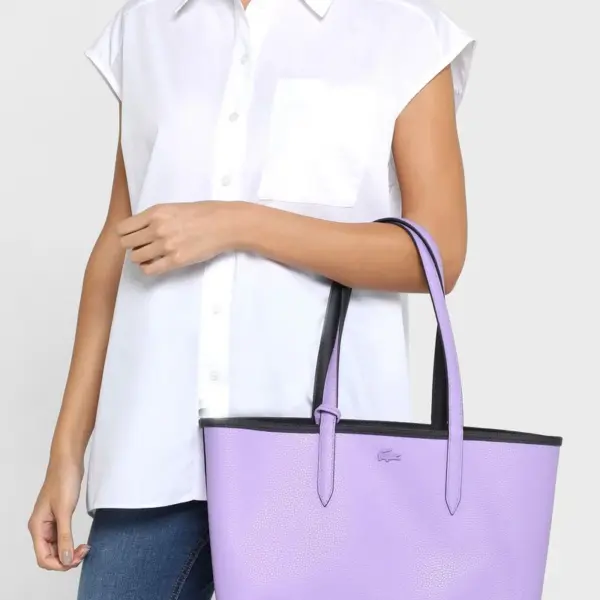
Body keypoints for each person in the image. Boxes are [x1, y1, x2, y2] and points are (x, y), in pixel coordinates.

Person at [28, 0, 475, 598]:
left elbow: (437, 253)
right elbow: (117, 243)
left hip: (322, 459)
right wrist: (66, 453)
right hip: (154, 450)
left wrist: (239, 223)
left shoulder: (403, 31)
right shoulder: (147, 26)